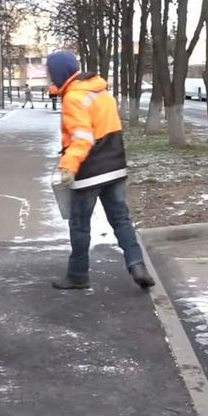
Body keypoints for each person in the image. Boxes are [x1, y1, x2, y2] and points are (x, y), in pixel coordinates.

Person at [46, 51, 155, 290]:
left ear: (59, 72)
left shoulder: (74, 98)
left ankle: (77, 275)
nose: (49, 77)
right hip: (114, 166)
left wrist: (68, 165)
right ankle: (137, 265)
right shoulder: (100, 92)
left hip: (89, 171)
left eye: (51, 72)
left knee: (79, 223)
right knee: (121, 220)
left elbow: (83, 137)